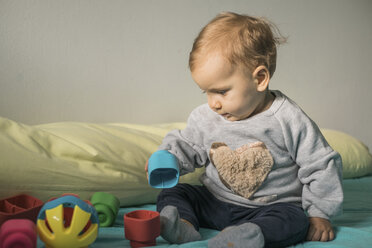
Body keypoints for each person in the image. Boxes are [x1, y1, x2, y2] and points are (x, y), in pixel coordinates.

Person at [145, 12, 343, 248]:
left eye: (221, 91)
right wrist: (170, 158)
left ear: (259, 79)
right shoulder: (206, 117)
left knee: (296, 220)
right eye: (206, 92)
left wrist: (319, 212)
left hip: (270, 209)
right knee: (175, 193)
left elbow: (320, 164)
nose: (213, 103)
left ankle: (246, 236)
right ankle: (184, 226)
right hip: (215, 202)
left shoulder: (288, 119)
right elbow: (187, 145)